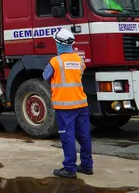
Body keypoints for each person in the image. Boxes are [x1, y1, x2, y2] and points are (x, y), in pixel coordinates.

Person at [43, 28, 93, 178]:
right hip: (81, 104)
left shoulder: (55, 61)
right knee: (84, 136)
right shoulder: (79, 60)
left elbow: (45, 76)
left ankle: (69, 168)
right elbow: (80, 74)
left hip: (65, 106)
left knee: (68, 137)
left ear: (58, 44)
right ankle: (87, 165)